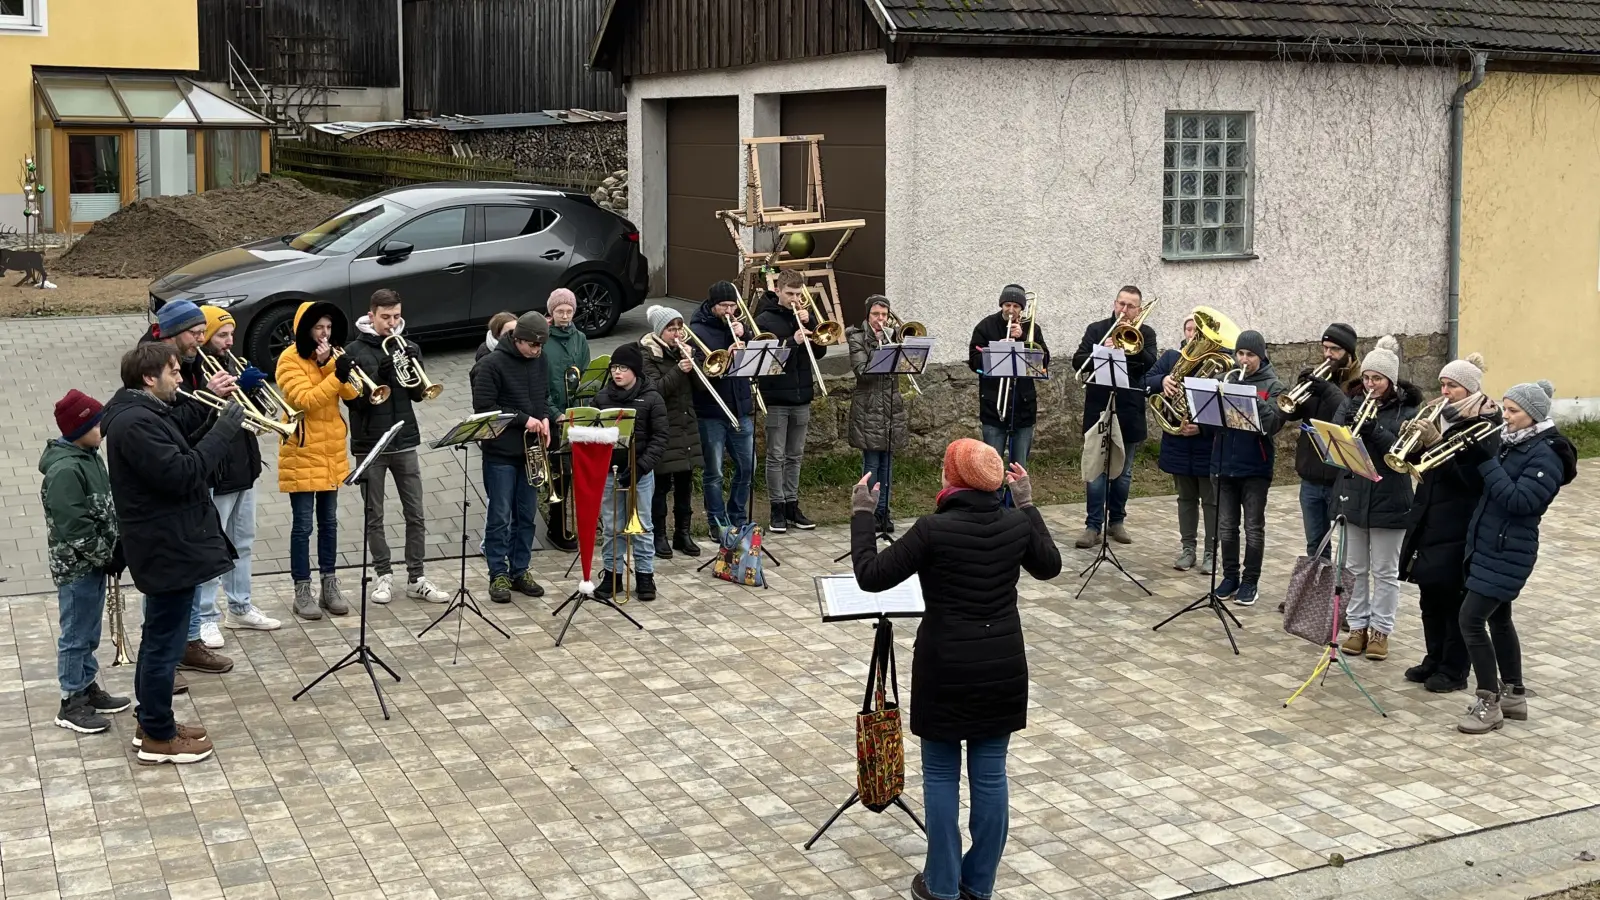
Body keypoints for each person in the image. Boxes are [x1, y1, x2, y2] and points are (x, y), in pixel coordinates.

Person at [848, 439, 1061, 900]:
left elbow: (870, 574)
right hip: (1002, 666)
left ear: (954, 480)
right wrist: (1026, 504)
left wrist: (863, 513)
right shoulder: (1014, 524)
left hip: (945, 666)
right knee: (990, 776)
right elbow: (1051, 566)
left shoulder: (932, 529)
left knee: (942, 777)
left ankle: (942, 886)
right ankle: (978, 883)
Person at [103, 342, 244, 765]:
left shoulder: (142, 414)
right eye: (174, 372)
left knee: (160, 640)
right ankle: (159, 737)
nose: (181, 378)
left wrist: (214, 417)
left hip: (169, 545)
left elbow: (179, 452)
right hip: (166, 549)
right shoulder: (134, 423)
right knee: (164, 645)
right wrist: (224, 431)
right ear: (150, 378)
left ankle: (153, 721)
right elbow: (182, 474)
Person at [1455, 380, 1576, 734]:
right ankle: (1513, 695)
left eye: (1512, 411)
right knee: (1500, 619)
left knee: (1470, 620)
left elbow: (1522, 502)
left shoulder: (1546, 454)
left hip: (1510, 550)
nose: (1504, 417)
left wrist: (1488, 462)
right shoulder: (1513, 444)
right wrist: (1470, 457)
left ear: (1533, 415)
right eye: (1504, 408)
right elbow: (1484, 488)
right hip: (1490, 544)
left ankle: (1488, 703)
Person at [145, 300, 237, 675]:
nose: (201, 340)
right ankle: (165, 657)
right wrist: (212, 402)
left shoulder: (189, 358)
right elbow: (172, 427)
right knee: (167, 589)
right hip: (168, 498)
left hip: (195, 482)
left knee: (192, 571)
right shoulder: (154, 364)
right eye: (195, 334)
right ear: (173, 333)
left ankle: (188, 643)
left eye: (203, 333)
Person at [1399, 353, 1499, 693]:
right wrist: (1409, 445)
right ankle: (1434, 658)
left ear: (1469, 389)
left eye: (1452, 386)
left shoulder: (1484, 425)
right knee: (1430, 596)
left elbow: (1471, 480)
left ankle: (1455, 670)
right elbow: (1423, 463)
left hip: (1459, 520)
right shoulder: (1442, 416)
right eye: (1442, 384)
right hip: (1429, 515)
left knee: (1453, 598)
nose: (1444, 391)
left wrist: (1436, 443)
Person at [341, 289, 449, 605]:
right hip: (370, 444)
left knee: (415, 512)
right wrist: (381, 375)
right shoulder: (354, 351)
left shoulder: (408, 346)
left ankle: (417, 578)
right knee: (375, 514)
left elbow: (419, 395)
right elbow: (355, 404)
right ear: (371, 315)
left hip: (404, 441)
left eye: (396, 316)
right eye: (385, 317)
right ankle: (383, 576)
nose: (392, 323)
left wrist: (412, 373)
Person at [41, 389, 129, 734]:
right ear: (78, 429)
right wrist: (105, 554)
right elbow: (73, 525)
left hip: (92, 561)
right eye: (96, 423)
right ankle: (71, 700)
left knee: (90, 630)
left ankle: (86, 685)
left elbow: (103, 507)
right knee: (76, 633)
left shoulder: (90, 455)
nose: (102, 427)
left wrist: (116, 543)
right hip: (77, 566)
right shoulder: (64, 470)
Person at [193, 306, 281, 648]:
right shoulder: (199, 370)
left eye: (231, 334)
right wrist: (221, 393)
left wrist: (256, 392)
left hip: (245, 465)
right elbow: (197, 419)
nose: (229, 341)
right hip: (217, 471)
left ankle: (240, 606)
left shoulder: (234, 364)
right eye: (222, 335)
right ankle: (204, 617)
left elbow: (256, 418)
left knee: (243, 541)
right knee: (214, 547)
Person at [1335, 336, 1421, 663]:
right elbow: (1339, 438)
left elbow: (1405, 451)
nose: (1370, 385)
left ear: (1391, 381)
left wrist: (1375, 430)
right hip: (1355, 495)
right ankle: (1357, 627)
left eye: (1378, 380)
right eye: (1367, 378)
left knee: (1385, 571)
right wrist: (1346, 422)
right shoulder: (1352, 400)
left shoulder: (1408, 410)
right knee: (1355, 568)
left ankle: (1381, 631)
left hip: (1391, 498)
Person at [275, 301, 360, 621]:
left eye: (328, 328)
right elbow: (305, 401)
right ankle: (302, 589)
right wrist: (334, 375)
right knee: (303, 525)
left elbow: (353, 395)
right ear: (305, 329)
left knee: (329, 522)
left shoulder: (331, 356)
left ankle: (330, 584)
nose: (325, 334)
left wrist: (332, 367)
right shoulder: (288, 359)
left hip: (331, 450)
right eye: (318, 328)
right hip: (302, 449)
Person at [471, 311, 552, 603]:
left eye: (541, 346)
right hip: (501, 453)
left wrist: (543, 419)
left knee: (527, 516)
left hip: (530, 451)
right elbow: (484, 408)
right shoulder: (490, 365)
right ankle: (498, 574)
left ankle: (520, 570)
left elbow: (542, 395)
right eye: (533, 345)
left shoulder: (540, 360)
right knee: (500, 516)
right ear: (517, 340)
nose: (537, 351)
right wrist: (523, 418)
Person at [1070, 286, 1158, 549]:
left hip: (1129, 410)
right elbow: (1078, 361)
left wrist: (1128, 350)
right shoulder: (1097, 329)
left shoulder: (1146, 334)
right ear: (1114, 303)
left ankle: (1117, 520)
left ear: (1138, 310)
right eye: (1121, 304)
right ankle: (1093, 525)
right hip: (1099, 407)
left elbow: (1149, 364)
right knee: (1096, 469)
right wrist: (1102, 350)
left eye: (1131, 306)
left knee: (1123, 472)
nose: (1124, 310)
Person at [1207, 330, 1285, 607]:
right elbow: (1207, 420)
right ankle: (1230, 576)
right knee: (1226, 526)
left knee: (1253, 527)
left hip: (1255, 467)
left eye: (1250, 355)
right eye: (1240, 353)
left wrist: (1254, 399)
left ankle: (1250, 581)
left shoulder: (1274, 385)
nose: (1243, 359)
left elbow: (1274, 424)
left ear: (1261, 356)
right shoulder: (1222, 380)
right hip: (1223, 463)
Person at [590, 345, 669, 602]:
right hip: (610, 472)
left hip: (640, 473)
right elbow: (592, 435)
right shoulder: (602, 398)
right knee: (612, 525)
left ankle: (645, 575)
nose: (617, 373)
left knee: (643, 525)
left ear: (635, 370)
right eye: (614, 368)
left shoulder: (651, 398)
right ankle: (613, 574)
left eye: (623, 368)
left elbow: (660, 438)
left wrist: (641, 468)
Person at [1143, 316, 1217, 573]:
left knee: (1211, 500)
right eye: (1189, 329)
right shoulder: (1171, 358)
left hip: (1206, 442)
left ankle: (1211, 552)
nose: (1193, 334)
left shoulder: (1216, 364)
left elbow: (1223, 404)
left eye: (1198, 331)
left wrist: (1202, 427)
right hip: (1177, 441)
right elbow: (1146, 381)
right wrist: (1161, 381)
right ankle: (1188, 549)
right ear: (1183, 332)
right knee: (1185, 499)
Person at [1281, 323, 1362, 559]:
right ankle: (1318, 594)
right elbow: (1289, 413)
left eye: (1335, 349)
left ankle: (1342, 595)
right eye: (1325, 348)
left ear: (1349, 352)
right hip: (1311, 477)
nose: (1328, 354)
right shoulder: (1319, 378)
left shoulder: (1359, 383)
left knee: (1349, 549)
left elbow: (1351, 416)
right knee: (1315, 546)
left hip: (1342, 479)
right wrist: (1300, 388)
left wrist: (1326, 389)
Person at [757, 272, 828, 532]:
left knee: (795, 455)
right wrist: (792, 341)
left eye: (799, 294)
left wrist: (812, 327)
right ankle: (776, 507)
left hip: (802, 394)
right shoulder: (764, 320)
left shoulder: (806, 315)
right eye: (790, 294)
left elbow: (820, 352)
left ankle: (792, 504)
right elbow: (767, 359)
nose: (795, 299)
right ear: (778, 291)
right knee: (776, 455)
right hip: (776, 396)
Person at [688, 281, 755, 535]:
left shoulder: (740, 328)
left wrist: (745, 335)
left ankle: (737, 515)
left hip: (740, 408)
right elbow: (700, 375)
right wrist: (726, 356)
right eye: (724, 306)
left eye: (733, 305)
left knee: (748, 467)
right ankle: (717, 523)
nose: (729, 311)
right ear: (713, 305)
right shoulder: (697, 330)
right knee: (714, 471)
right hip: (711, 411)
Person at [638, 304, 704, 559]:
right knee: (661, 484)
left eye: (679, 328)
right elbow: (655, 390)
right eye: (670, 329)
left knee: (686, 484)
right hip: (663, 428)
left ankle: (683, 534)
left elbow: (701, 386)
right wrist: (679, 369)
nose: (676, 333)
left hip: (686, 424)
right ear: (659, 331)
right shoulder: (647, 355)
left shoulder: (683, 353)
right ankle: (659, 535)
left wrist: (694, 362)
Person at [968, 284, 1049, 468]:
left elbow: (1044, 359)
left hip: (1024, 406)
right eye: (1007, 305)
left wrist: (1022, 340)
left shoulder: (1031, 328)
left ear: (1022, 308)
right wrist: (996, 350)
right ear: (1001, 305)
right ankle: (994, 497)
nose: (1011, 310)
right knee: (991, 467)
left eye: (1016, 306)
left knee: (1019, 468)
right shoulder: (985, 326)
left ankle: (1015, 498)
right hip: (993, 405)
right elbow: (973, 360)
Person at [846, 296, 909, 534]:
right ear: (868, 315)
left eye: (884, 315)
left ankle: (884, 512)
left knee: (888, 465)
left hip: (891, 406)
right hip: (869, 406)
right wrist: (881, 347)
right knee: (872, 463)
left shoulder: (894, 336)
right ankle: (868, 512)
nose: (880, 319)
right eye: (876, 315)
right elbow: (863, 372)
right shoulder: (857, 337)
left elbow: (906, 366)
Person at [542, 289, 590, 552]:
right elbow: (541, 383)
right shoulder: (544, 339)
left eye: (569, 311)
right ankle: (556, 526)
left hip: (575, 413)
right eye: (560, 311)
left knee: (575, 473)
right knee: (560, 474)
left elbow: (586, 374)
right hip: (554, 415)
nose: (564, 316)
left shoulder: (580, 338)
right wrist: (554, 412)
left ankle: (574, 523)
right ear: (551, 312)